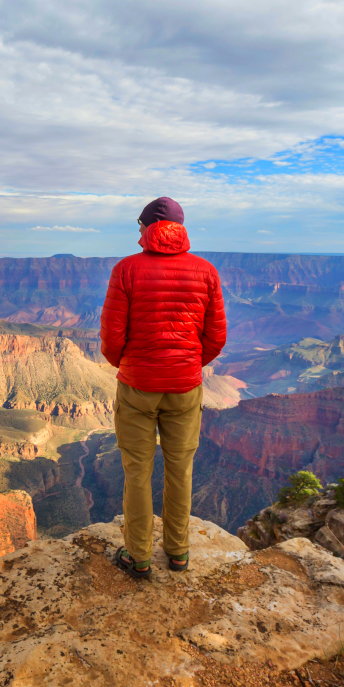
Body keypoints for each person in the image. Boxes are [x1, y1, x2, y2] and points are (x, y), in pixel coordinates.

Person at [99, 196, 227, 578]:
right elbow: (215, 337)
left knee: (137, 471)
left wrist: (131, 365)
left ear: (149, 227)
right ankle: (178, 553)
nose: (138, 231)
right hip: (185, 388)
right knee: (180, 469)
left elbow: (111, 337)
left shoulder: (127, 269)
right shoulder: (206, 271)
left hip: (138, 386)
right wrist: (187, 365)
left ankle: (138, 556)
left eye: (139, 224)